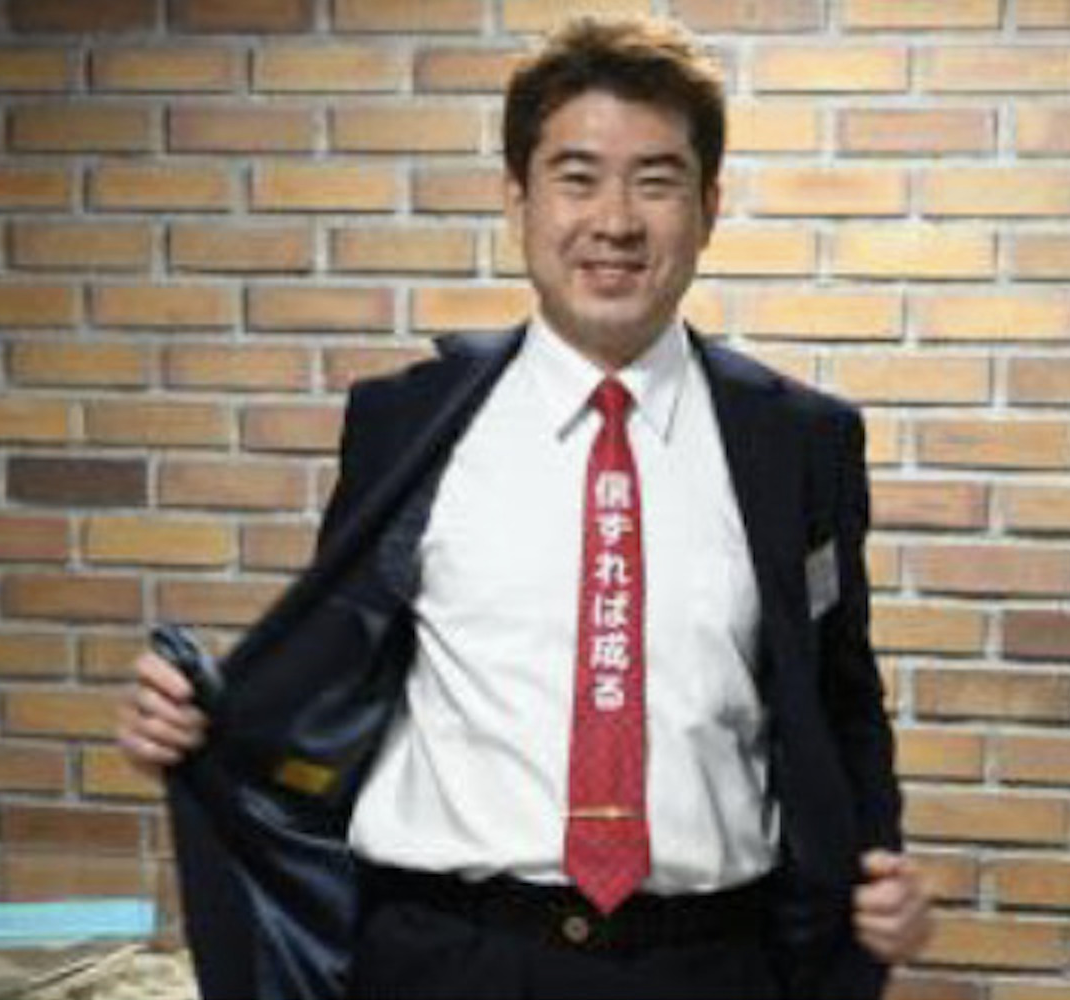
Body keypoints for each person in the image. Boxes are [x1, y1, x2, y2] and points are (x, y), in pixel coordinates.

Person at [118, 16, 931, 1000]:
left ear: (710, 206)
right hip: (442, 958)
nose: (615, 221)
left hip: (708, 965)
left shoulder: (800, 444)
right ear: (519, 198)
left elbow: (839, 698)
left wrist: (878, 867)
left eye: (657, 181)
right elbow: (336, 675)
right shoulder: (407, 425)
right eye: (577, 178)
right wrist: (202, 724)